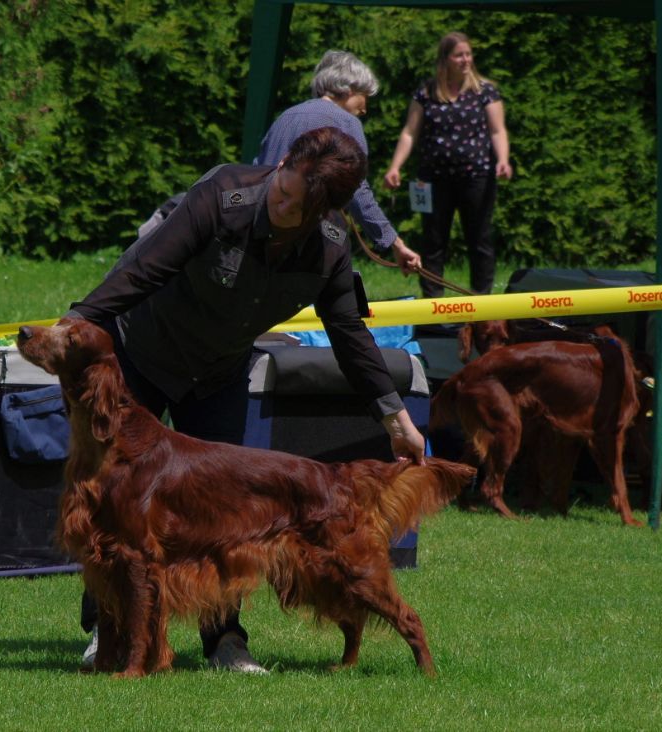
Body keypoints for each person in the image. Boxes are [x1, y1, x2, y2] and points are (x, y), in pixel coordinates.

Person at [67, 126, 427, 674]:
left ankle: (224, 641)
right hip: (145, 355)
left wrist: (395, 416)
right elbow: (144, 269)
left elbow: (349, 334)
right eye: (283, 188)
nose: (282, 206)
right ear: (282, 162)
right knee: (117, 508)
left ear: (326, 211)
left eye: (298, 207)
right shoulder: (221, 195)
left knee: (229, 517)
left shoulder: (328, 249)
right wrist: (79, 321)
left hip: (217, 373)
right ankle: (110, 633)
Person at [254, 50, 422, 275]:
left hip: (262, 232)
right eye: (365, 97)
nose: (365, 108)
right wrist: (396, 244)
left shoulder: (286, 116)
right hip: (307, 239)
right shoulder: (346, 123)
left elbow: (257, 170)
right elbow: (357, 191)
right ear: (349, 89)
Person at [383, 31, 512, 298]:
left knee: (480, 239)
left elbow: (498, 130)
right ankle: (433, 304)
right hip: (432, 179)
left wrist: (502, 160)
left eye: (468, 54)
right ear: (446, 59)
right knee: (433, 241)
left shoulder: (485, 92)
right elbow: (409, 132)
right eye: (459, 55)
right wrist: (395, 167)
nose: (465, 60)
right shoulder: (427, 93)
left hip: (476, 177)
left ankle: (482, 303)